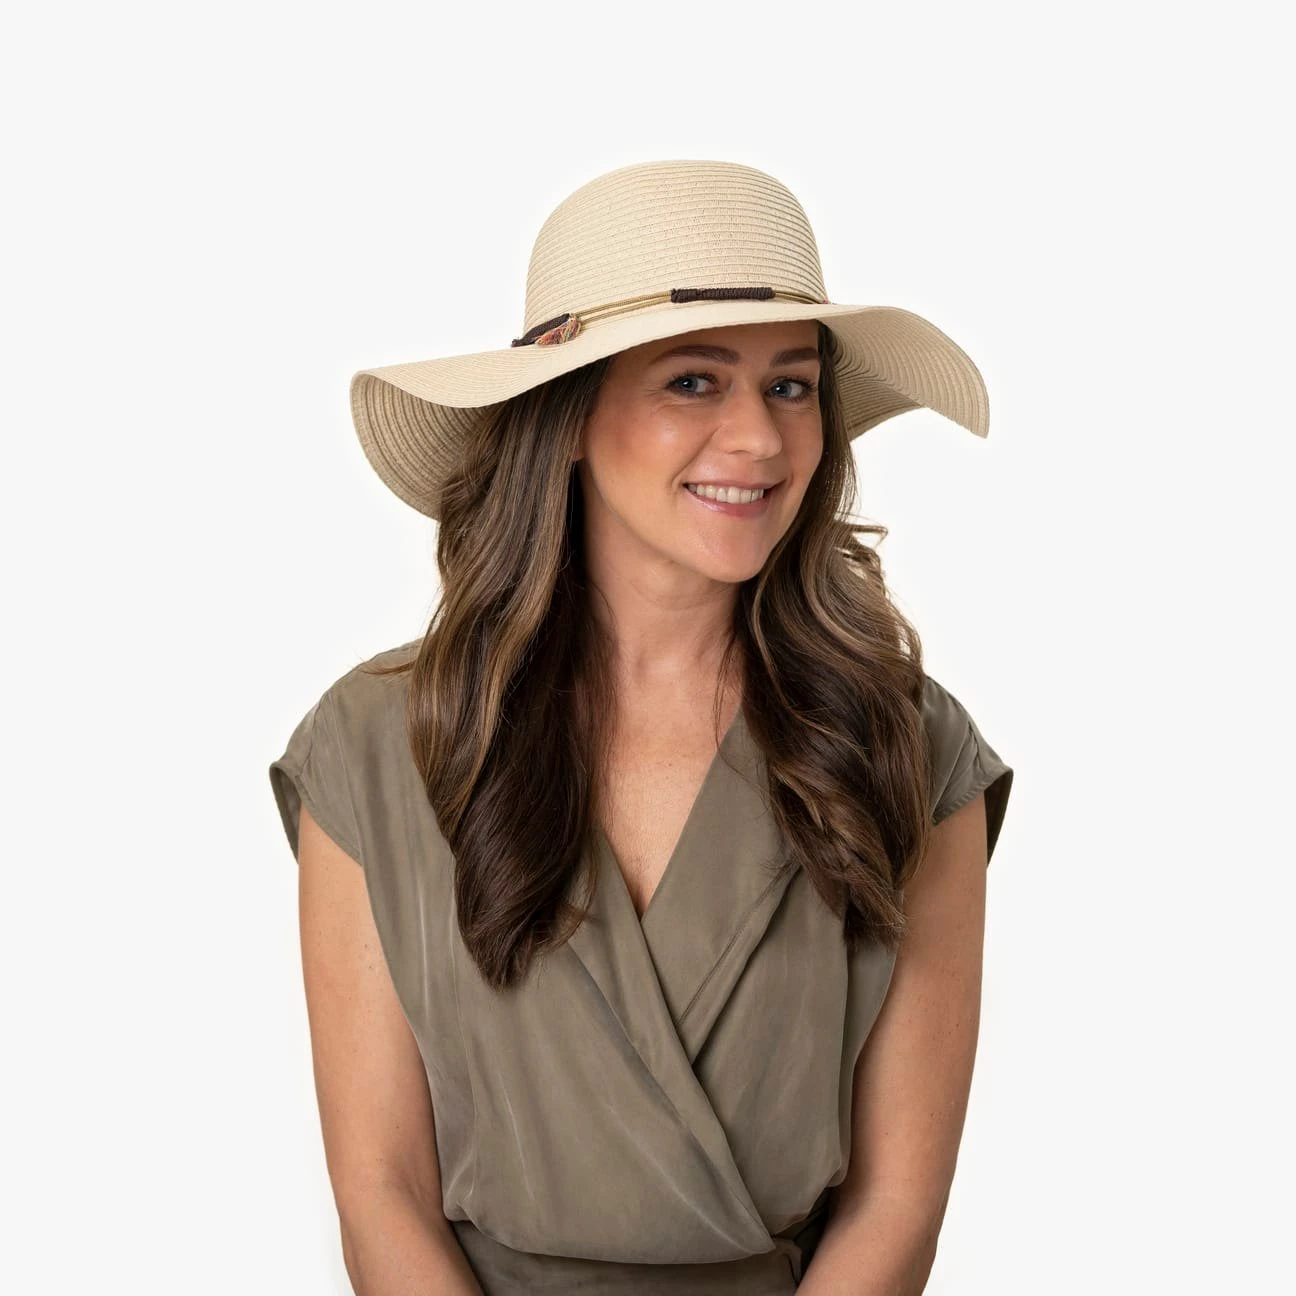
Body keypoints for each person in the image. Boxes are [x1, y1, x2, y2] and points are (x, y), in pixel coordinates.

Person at [268, 159, 1014, 1295]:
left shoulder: (906, 745)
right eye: (693, 381)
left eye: (791, 386)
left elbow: (896, 1205)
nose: (759, 440)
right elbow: (382, 1193)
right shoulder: (377, 747)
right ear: (570, 416)